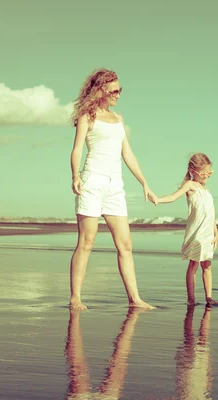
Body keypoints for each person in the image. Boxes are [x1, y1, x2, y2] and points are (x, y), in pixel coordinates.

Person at [69, 68, 154, 311]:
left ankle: (135, 299)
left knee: (125, 244)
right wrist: (75, 175)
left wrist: (144, 182)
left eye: (120, 90)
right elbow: (77, 149)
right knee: (87, 241)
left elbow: (127, 153)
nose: (118, 94)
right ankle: (75, 297)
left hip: (115, 185)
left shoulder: (118, 119)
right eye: (115, 90)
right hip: (92, 181)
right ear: (101, 90)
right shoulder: (87, 115)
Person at [153, 153, 218, 306]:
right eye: (203, 173)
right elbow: (173, 196)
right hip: (196, 233)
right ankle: (191, 299)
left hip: (208, 233)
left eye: (209, 172)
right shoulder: (191, 185)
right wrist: (158, 199)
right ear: (193, 170)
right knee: (194, 264)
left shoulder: (206, 189)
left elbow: (211, 214)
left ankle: (209, 297)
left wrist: (217, 233)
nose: (207, 176)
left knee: (207, 265)